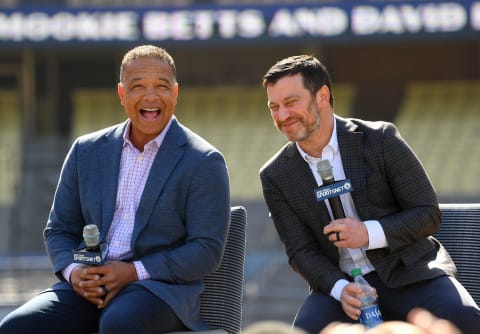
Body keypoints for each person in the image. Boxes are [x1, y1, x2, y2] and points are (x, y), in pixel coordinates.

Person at [0, 45, 230, 334]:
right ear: (122, 94)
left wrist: (133, 272)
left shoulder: (203, 161)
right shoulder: (86, 151)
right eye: (137, 87)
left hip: (157, 290)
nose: (150, 96)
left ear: (175, 93)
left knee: (118, 324)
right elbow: (59, 231)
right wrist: (75, 274)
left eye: (161, 86)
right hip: (90, 286)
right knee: (17, 327)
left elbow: (206, 250)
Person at [259, 54, 480, 334]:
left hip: (408, 273)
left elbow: (427, 213)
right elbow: (300, 251)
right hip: (341, 287)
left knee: (465, 319)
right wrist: (341, 289)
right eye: (274, 107)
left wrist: (368, 233)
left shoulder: (381, 138)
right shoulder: (275, 174)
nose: (282, 116)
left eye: (291, 103)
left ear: (322, 96)